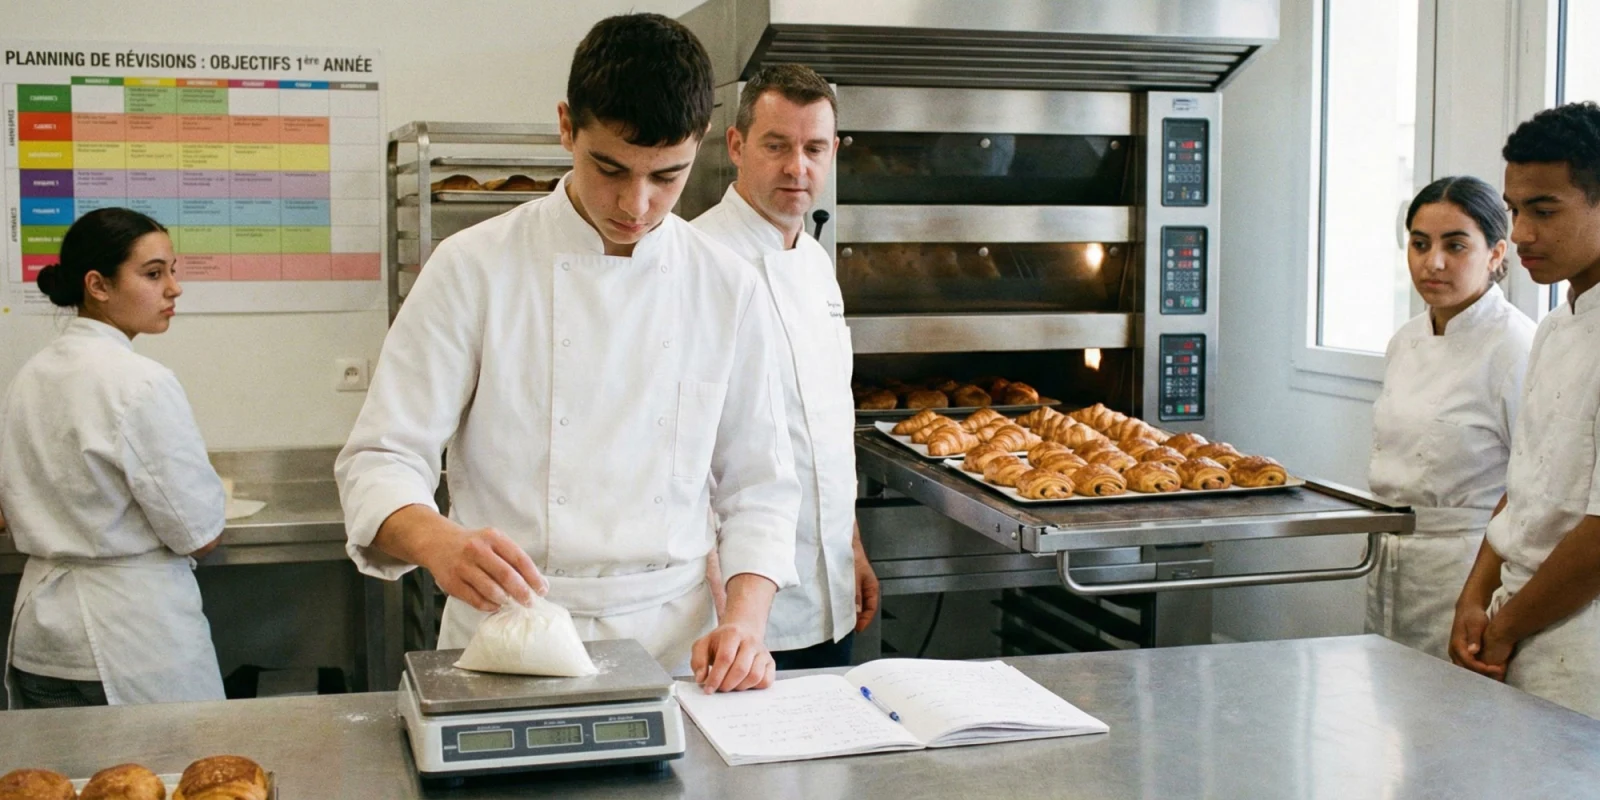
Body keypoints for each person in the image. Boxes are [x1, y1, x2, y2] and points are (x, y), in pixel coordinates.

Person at [335, 13, 801, 693]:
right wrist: (439, 544)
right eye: (609, 167)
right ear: (565, 126)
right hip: (507, 634)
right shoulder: (473, 268)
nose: (636, 204)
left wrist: (747, 623)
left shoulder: (725, 284)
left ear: (700, 146)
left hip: (675, 648)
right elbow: (380, 458)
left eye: (667, 176)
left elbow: (759, 484)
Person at [0, 207, 226, 708]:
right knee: (155, 784)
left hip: (42, 645)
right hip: (131, 642)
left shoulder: (29, 375)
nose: (174, 288)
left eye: (173, 270)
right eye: (153, 273)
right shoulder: (140, 382)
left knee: (57, 785)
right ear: (98, 286)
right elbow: (200, 532)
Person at [693, 64, 879, 669]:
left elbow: (824, 423)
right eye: (777, 146)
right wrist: (722, 591)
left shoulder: (817, 265)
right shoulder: (696, 262)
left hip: (829, 593)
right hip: (734, 607)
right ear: (736, 145)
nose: (797, 167)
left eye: (814, 148)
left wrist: (849, 546)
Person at [1450, 101, 1600, 718]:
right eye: (1514, 210)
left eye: (1544, 210)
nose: (1522, 233)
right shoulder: (1555, 327)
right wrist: (1476, 592)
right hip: (1518, 615)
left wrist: (1506, 625)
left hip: (1582, 639)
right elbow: (1528, 481)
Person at [1365, 176, 1535, 660]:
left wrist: (1482, 595)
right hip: (1389, 561)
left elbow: (1531, 484)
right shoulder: (1406, 340)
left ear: (1497, 253)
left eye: (1455, 245)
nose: (1432, 262)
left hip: (1466, 571)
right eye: (1419, 244)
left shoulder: (1515, 347)